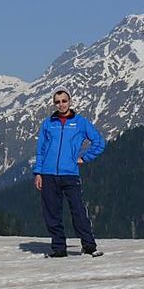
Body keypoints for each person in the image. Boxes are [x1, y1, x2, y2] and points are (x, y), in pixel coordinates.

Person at [33, 87, 106, 258]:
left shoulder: (80, 123)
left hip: (70, 174)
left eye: (64, 101)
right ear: (54, 104)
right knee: (52, 213)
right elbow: (40, 150)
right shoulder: (48, 123)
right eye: (57, 102)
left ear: (70, 101)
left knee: (79, 211)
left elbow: (99, 142)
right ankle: (59, 248)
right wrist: (38, 172)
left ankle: (88, 246)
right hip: (48, 174)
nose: (61, 104)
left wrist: (84, 158)